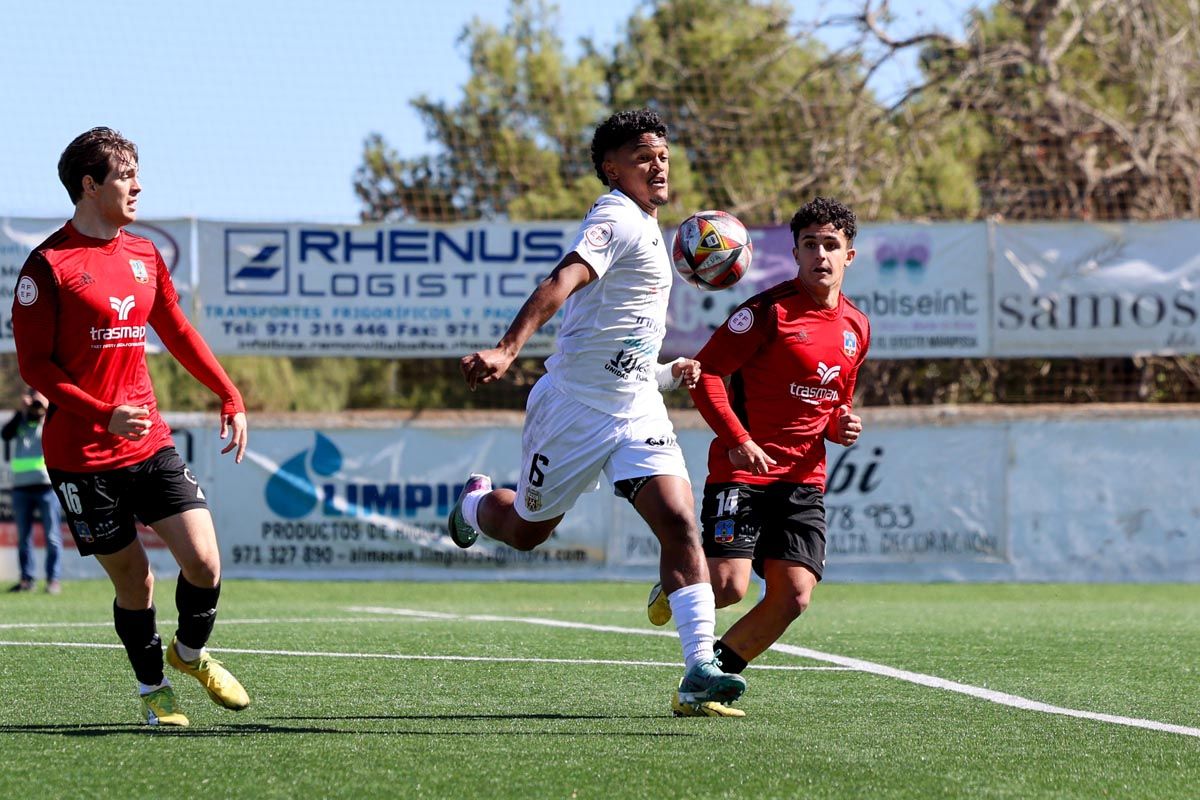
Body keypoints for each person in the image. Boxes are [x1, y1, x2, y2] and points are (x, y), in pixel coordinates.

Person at [449, 108, 747, 717]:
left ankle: (698, 670)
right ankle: (475, 504)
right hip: (573, 413)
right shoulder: (615, 215)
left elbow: (619, 336)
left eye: (663, 154)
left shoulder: (647, 226)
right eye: (643, 156)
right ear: (612, 168)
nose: (658, 164)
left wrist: (663, 375)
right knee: (529, 533)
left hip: (635, 410)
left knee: (679, 521)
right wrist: (508, 349)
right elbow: (563, 280)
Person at [11, 127, 250, 727]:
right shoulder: (46, 267)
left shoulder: (144, 255)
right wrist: (102, 413)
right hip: (82, 455)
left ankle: (190, 654)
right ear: (90, 186)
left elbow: (177, 330)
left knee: (204, 562)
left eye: (137, 173)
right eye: (124, 176)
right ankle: (152, 689)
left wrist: (228, 392)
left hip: (147, 443)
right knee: (136, 581)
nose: (137, 185)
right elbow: (33, 365)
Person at [647, 196, 870, 687]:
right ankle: (681, 579)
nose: (821, 255)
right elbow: (704, 376)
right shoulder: (767, 311)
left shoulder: (857, 326)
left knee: (793, 595)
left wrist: (840, 426)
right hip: (743, 471)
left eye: (831, 245)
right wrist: (739, 438)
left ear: (849, 255)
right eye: (810, 245)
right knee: (728, 587)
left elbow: (836, 406)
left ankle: (705, 681)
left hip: (803, 479)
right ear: (795, 252)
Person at [3, 387, 63, 594]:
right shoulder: (20, 419)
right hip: (21, 488)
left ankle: (53, 580)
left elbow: (63, 430)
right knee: (24, 537)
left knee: (52, 536)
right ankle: (26, 580)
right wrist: (21, 411)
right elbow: (5, 434)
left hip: (47, 487)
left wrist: (48, 407)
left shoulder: (51, 417)